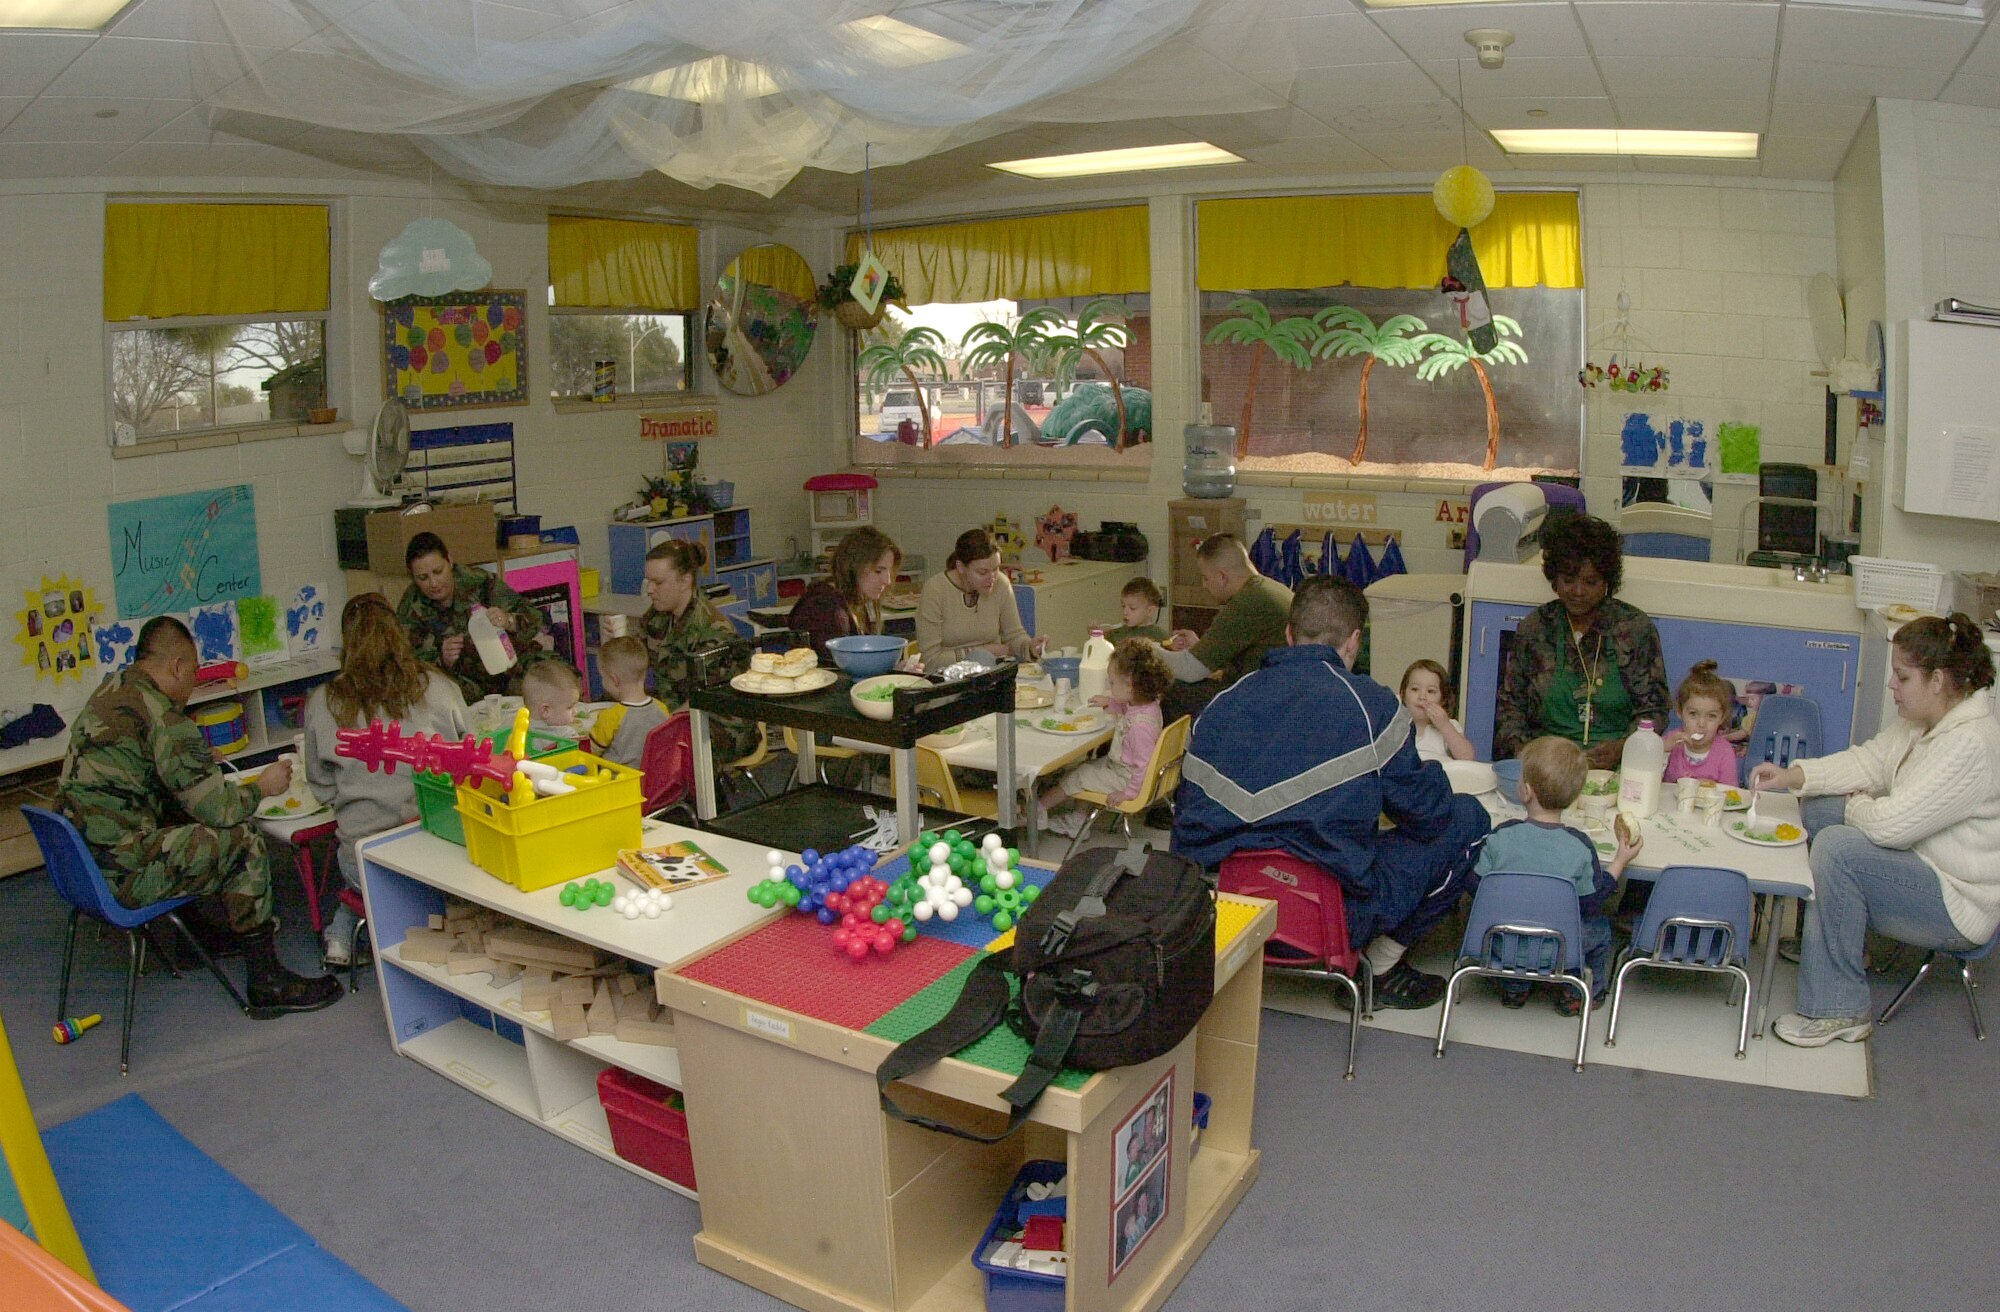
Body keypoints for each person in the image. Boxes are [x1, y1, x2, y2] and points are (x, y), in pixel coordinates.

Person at [1173, 576, 1491, 1009]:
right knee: (1468, 817)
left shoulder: (1220, 703)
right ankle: (1381, 964)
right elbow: (1429, 815)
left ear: (1289, 635)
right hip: (1331, 916)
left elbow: (1187, 827)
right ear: (1354, 641)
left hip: (1228, 911)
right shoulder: (1373, 707)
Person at [57, 616, 341, 1017]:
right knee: (243, 841)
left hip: (79, 865)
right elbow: (219, 809)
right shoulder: (167, 720)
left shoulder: (113, 690)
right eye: (193, 672)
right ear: (176, 666)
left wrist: (195, 763)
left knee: (176, 812)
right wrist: (263, 786)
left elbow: (140, 768)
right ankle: (267, 981)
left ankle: (196, 937)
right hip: (120, 875)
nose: (193, 683)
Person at [1754, 614, 2000, 1048]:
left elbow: (1890, 825)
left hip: (1957, 904)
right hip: (1922, 867)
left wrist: (1861, 806)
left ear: (1938, 680)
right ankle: (1844, 947)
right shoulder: (1927, 721)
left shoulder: (1971, 744)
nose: (1892, 686)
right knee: (1820, 807)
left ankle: (1838, 1010)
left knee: (1836, 847)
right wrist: (1793, 776)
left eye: (1902, 676)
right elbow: (1869, 763)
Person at [304, 594, 470, 965]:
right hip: (436, 848)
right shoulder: (438, 687)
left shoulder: (323, 701)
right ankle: (354, 926)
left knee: (361, 865)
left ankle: (343, 928)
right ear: (399, 635)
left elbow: (321, 787)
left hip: (364, 859)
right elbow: (466, 756)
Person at [1476, 736, 1642, 1013]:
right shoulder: (1579, 846)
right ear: (1575, 797)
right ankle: (1580, 993)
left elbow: (1477, 886)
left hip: (1503, 944)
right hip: (1560, 950)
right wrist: (1620, 861)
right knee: (1602, 930)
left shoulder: (1501, 836)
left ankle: (1515, 987)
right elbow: (1591, 902)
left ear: (1526, 791)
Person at [1493, 510, 1669, 770]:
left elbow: (1655, 710)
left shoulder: (1633, 629)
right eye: (1568, 580)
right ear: (1554, 580)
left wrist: (1623, 748)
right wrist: (1528, 754)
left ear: (1607, 582)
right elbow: (1511, 709)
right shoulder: (1537, 629)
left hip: (1618, 771)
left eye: (1590, 582)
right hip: (1547, 769)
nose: (1577, 592)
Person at [396, 531, 552, 703]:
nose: (434, 583)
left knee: (555, 677)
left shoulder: (478, 583)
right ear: (412, 575)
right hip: (464, 685)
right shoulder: (411, 608)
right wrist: (442, 659)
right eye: (423, 578)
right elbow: (407, 666)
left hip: (510, 669)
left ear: (450, 560)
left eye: (438, 571)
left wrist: (509, 620)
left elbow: (537, 620)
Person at [640, 539, 760, 763]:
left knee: (656, 746)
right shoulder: (657, 618)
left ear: (685, 581)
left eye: (657, 582)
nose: (649, 590)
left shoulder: (713, 629)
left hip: (722, 724)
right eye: (648, 581)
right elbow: (635, 665)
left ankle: (700, 797)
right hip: (678, 714)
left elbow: (703, 699)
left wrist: (656, 726)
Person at [1037, 640, 1170, 837]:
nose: (1109, 685)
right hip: (1122, 769)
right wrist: (1111, 703)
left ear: (1130, 686)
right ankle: (1078, 818)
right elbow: (1129, 710)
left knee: (1079, 774)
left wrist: (1130, 793)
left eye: (1112, 682)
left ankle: (1036, 810)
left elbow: (1144, 764)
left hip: (1126, 779)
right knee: (1085, 768)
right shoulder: (1147, 705)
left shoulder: (1140, 728)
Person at [1157, 533, 1292, 726]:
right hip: (1277, 693)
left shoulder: (1246, 603)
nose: (1204, 585)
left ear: (1222, 577)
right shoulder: (1270, 589)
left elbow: (1190, 670)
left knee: (1173, 689)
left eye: (1205, 578)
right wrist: (1201, 647)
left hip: (1261, 703)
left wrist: (1147, 649)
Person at [916, 529, 1046, 671]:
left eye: (996, 569)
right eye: (982, 572)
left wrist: (1030, 647)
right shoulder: (935, 590)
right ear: (960, 567)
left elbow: (1013, 635)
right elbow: (930, 660)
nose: (992, 578)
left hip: (990, 675)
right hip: (946, 679)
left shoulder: (1000, 584)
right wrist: (984, 651)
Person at [790, 526, 906, 663]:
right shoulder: (826, 609)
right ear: (854, 567)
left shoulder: (850, 600)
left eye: (889, 572)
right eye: (878, 571)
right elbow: (840, 672)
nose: (887, 581)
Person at [589, 636, 670, 769]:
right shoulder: (662, 709)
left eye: (603, 677)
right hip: (654, 781)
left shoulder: (611, 716)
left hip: (618, 783)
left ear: (614, 680)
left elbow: (590, 751)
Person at [1662, 660, 1740, 787]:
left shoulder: (1724, 752)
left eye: (1711, 716)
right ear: (1680, 711)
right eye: (1693, 714)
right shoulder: (1672, 742)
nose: (1701, 724)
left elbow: (1730, 795)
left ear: (1722, 717)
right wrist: (1663, 751)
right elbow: (1651, 783)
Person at [1401, 659, 1476, 762]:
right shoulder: (1394, 727)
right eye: (1415, 689)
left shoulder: (1449, 727)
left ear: (1442, 700)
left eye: (1431, 691)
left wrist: (1445, 726)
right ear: (1403, 695)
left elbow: (1467, 758)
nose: (1422, 696)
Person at [523, 661, 582, 740]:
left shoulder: (519, 731)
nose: (575, 712)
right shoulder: (567, 734)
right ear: (545, 711)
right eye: (570, 707)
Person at [1105, 577, 1168, 645]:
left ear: (1150, 611)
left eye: (1132, 608)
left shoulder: (1159, 635)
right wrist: (1098, 636)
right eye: (1123, 606)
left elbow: (1167, 644)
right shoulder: (1116, 633)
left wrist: (1173, 644)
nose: (1125, 612)